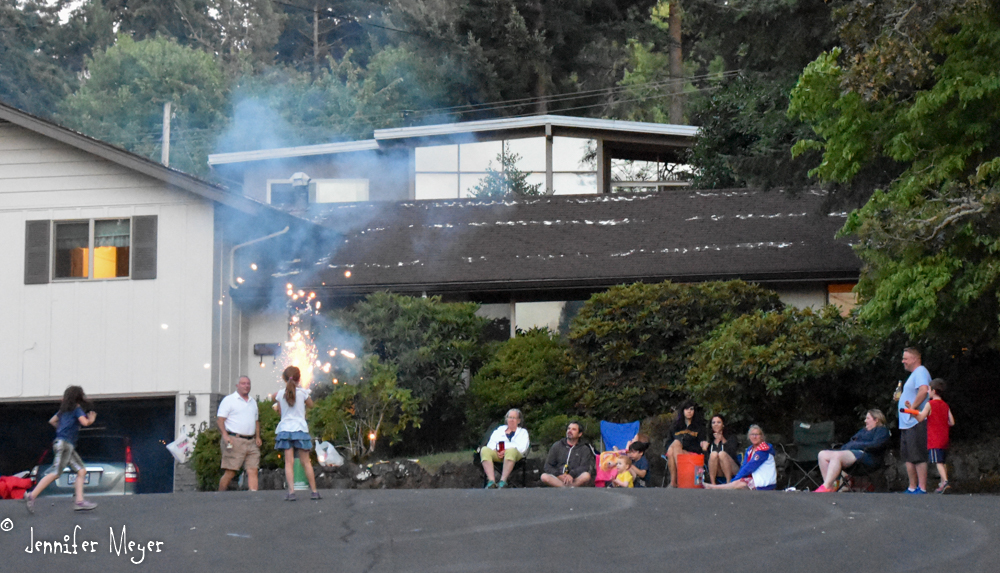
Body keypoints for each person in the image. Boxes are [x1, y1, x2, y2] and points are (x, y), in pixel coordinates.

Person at [25, 386, 98, 512]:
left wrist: (61, 429)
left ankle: (79, 501)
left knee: (81, 471)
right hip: (65, 444)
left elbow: (52, 421)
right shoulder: (76, 409)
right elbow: (84, 422)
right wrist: (91, 420)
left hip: (63, 443)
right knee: (56, 472)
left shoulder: (63, 410)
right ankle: (32, 495)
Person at [813, 409, 891, 493]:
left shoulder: (881, 430)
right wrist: (846, 447)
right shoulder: (863, 431)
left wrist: (857, 445)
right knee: (822, 454)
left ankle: (826, 486)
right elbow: (851, 441)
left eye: (868, 418)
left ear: (876, 420)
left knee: (837, 456)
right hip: (852, 454)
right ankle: (830, 486)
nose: (865, 421)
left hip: (868, 457)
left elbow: (876, 445)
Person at [275, 366, 320, 501]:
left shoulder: (280, 394)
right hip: (300, 429)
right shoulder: (303, 393)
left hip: (285, 430)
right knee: (306, 462)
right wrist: (307, 394)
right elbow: (311, 405)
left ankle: (291, 492)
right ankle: (314, 491)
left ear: (284, 378)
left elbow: (280, 412)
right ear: (299, 378)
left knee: (289, 462)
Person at [217, 376, 262, 492]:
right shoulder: (229, 400)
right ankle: (219, 494)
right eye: (243, 383)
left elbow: (256, 421)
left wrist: (257, 437)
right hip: (235, 439)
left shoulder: (253, 402)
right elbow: (220, 419)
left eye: (248, 384)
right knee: (231, 472)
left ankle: (254, 496)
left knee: (253, 470)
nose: (246, 386)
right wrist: (225, 435)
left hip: (251, 441)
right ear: (237, 385)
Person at [911, 378, 955, 493]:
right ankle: (942, 483)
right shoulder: (945, 405)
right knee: (942, 461)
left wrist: (912, 412)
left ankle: (945, 482)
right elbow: (952, 422)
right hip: (945, 438)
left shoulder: (929, 404)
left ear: (934, 391)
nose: (927, 392)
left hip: (934, 438)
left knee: (938, 462)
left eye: (929, 389)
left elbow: (921, 418)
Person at [899, 347, 932, 493]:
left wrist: (912, 408)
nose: (903, 361)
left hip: (916, 421)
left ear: (915, 359)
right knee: (908, 455)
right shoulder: (914, 375)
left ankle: (922, 488)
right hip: (906, 423)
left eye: (905, 358)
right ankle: (912, 487)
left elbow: (924, 390)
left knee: (917, 454)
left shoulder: (921, 372)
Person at [703, 425, 776, 491]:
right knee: (739, 484)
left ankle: (714, 487)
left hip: (764, 483)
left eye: (757, 434)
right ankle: (720, 486)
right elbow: (744, 465)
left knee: (738, 484)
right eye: (752, 434)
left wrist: (734, 480)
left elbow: (749, 468)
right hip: (754, 479)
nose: (754, 437)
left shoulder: (763, 451)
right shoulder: (750, 449)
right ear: (749, 437)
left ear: (761, 436)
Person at [480, 409, 530, 489]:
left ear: (519, 421)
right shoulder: (499, 430)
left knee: (511, 451)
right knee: (484, 450)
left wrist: (506, 451)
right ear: (506, 419)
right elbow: (491, 443)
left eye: (514, 418)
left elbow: (523, 448)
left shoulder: (523, 432)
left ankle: (503, 481)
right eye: (510, 417)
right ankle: (491, 481)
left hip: (515, 455)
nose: (511, 420)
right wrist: (496, 450)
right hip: (498, 453)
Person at [540, 421, 595, 487]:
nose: (570, 431)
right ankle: (568, 488)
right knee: (544, 476)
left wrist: (571, 474)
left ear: (580, 434)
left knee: (586, 476)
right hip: (558, 477)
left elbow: (584, 467)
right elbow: (548, 466)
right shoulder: (557, 446)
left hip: (575, 478)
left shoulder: (584, 448)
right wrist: (559, 475)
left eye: (573, 429)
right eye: (569, 429)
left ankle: (567, 487)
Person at [665, 400, 705, 488]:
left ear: (694, 411)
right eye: (686, 409)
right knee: (672, 449)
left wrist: (681, 446)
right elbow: (668, 442)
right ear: (682, 411)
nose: (689, 411)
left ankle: (674, 482)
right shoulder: (675, 427)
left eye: (691, 409)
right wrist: (676, 447)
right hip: (676, 453)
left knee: (675, 444)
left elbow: (701, 445)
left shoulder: (699, 427)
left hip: (692, 455)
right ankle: (676, 481)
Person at [702, 414, 740, 485]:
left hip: (732, 467)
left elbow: (732, 453)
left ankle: (729, 483)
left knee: (722, 454)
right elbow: (707, 462)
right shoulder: (710, 440)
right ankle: (713, 483)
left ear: (723, 425)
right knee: (713, 454)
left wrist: (723, 440)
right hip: (718, 470)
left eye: (718, 422)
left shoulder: (731, 437)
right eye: (713, 423)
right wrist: (704, 450)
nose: (716, 424)